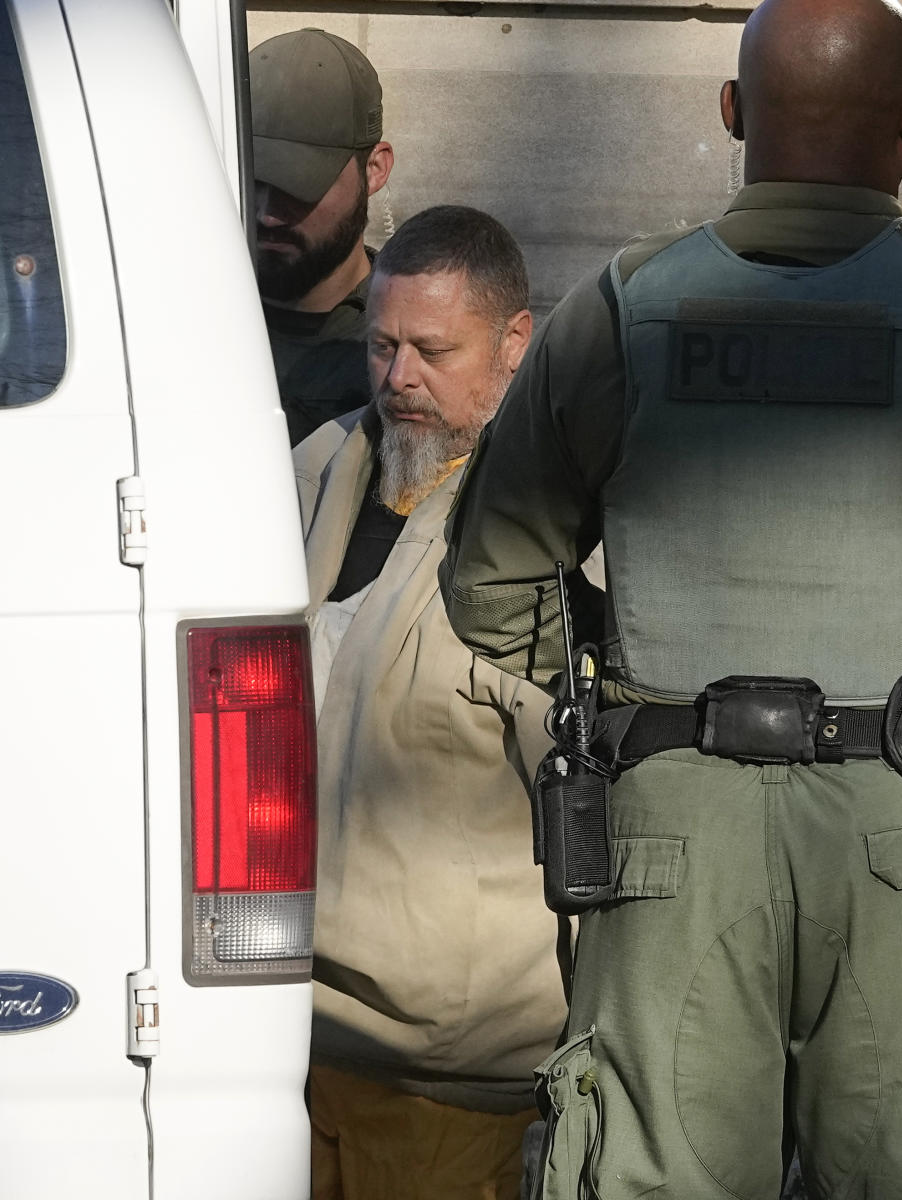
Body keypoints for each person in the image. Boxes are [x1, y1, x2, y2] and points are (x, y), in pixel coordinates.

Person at [440, 1, 902, 1196]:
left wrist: (626, 676)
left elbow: (492, 583)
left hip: (670, 829)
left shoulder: (620, 312)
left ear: (731, 113)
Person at [293, 205, 568, 1200]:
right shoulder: (321, 467)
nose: (399, 376)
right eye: (381, 345)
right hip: (284, 1027)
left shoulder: (559, 526)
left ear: (513, 345)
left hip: (454, 1069)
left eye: (432, 350)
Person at [250, 29, 394, 444]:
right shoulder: (178, 319)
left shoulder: (412, 345)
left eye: (299, 185)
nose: (267, 214)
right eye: (253, 180)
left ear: (375, 169)